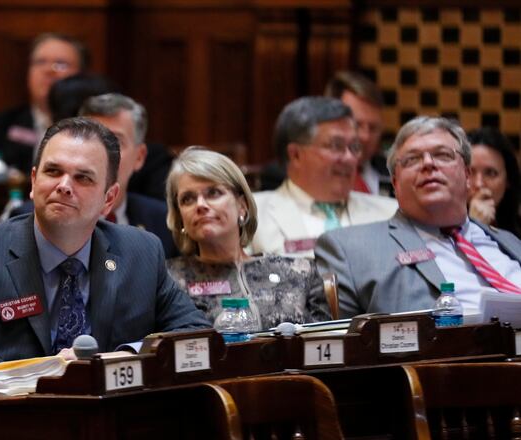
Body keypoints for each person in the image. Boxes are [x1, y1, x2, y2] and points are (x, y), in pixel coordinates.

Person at [0, 117, 209, 361]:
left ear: (109, 199)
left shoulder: (140, 252)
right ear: (33, 182)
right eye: (53, 171)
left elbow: (195, 334)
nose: (64, 186)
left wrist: (125, 356)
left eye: (83, 178)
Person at [315, 116, 521, 318]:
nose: (428, 163)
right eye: (412, 159)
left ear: (467, 175)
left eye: (442, 155)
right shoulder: (350, 249)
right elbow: (335, 346)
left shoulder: (509, 241)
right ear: (395, 183)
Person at [165, 147, 330, 328]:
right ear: (180, 217)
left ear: (242, 206)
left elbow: (327, 348)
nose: (201, 205)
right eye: (188, 199)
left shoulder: (301, 272)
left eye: (213, 193)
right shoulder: (169, 280)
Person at [14, 93, 178, 256]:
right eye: (92, 140)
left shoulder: (163, 221)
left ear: (140, 157)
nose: (103, 153)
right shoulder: (25, 217)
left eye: (115, 141)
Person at [250, 96, 397, 258]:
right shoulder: (252, 214)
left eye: (354, 147)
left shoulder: (391, 213)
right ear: (296, 155)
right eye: (336, 146)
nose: (350, 158)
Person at [0, 33, 87, 175]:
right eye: (40, 62)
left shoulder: (91, 128)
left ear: (82, 76)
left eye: (60, 64)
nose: (48, 70)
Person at [325, 71, 392, 196]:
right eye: (356, 125)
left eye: (373, 128)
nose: (365, 137)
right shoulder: (306, 174)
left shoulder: (393, 172)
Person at [466, 127, 521, 238]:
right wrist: (474, 226)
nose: (479, 184)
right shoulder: (440, 227)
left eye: (490, 173)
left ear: (508, 180)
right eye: (470, 172)